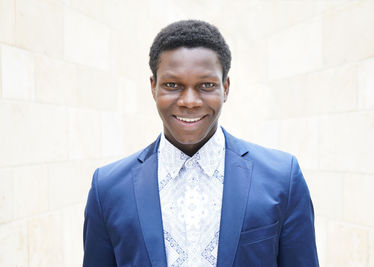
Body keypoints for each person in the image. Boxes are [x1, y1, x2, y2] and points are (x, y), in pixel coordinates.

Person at [83, 20, 319, 267]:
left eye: (206, 85)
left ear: (225, 88)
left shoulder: (282, 177)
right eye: (172, 85)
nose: (189, 101)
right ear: (153, 87)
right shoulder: (107, 189)